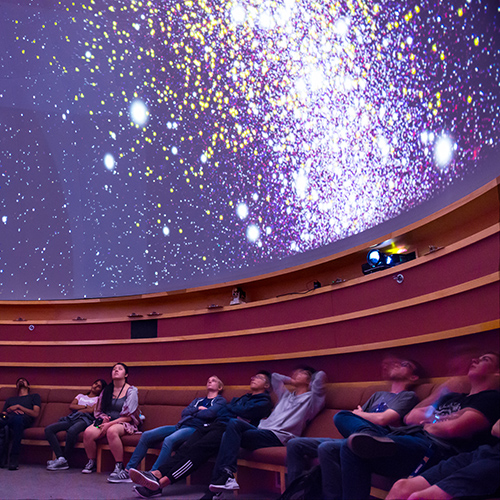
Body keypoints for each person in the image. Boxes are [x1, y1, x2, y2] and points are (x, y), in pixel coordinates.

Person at [333, 351, 500, 500]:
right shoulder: (454, 397)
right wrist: (443, 396)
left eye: (484, 359)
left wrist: (431, 421)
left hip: (434, 447)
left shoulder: (491, 398)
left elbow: (453, 428)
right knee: (343, 424)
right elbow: (410, 417)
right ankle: (369, 436)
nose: (474, 360)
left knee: (351, 446)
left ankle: (370, 437)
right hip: (411, 435)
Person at [285, 357, 420, 499]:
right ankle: (293, 496)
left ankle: (366, 438)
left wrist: (362, 414)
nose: (398, 365)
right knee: (295, 443)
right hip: (357, 436)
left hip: (381, 438)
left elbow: (383, 419)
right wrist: (360, 416)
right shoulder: (378, 395)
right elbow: (355, 418)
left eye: (404, 364)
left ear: (413, 377)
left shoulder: (408, 396)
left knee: (329, 443)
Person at [128, 371, 274, 498]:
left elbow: (236, 411)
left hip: (228, 430)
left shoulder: (264, 401)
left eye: (258, 377)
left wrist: (234, 408)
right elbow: (226, 411)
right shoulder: (243, 398)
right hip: (213, 425)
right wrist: (235, 409)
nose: (253, 378)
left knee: (197, 450)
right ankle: (156, 473)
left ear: (267, 385)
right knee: (185, 448)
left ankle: (160, 484)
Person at [208, 366, 327, 494]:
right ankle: (225, 477)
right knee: (232, 426)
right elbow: (275, 377)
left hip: (279, 436)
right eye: (296, 372)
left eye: (302, 373)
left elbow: (320, 375)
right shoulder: (285, 396)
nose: (296, 374)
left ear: (309, 381)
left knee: (230, 432)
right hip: (261, 430)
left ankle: (219, 485)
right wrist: (291, 380)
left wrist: (309, 379)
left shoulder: (312, 400)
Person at [108, 375, 226, 483]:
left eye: (213, 381)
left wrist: (195, 412)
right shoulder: (198, 400)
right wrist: (198, 409)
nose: (210, 382)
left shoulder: (220, 401)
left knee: (169, 440)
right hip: (179, 425)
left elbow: (210, 414)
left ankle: (153, 475)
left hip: (195, 429)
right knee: (146, 435)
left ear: (219, 387)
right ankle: (129, 470)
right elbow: (185, 412)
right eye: (208, 380)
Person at [387, 419, 500, 500]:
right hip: (486, 452)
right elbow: (495, 428)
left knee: (419, 497)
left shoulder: (488, 398)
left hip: (495, 462)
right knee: (401, 487)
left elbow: (453, 428)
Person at [81, 362, 141, 479]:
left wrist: (109, 424)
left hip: (124, 422)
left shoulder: (131, 391)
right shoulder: (106, 390)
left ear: (126, 374)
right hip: (106, 422)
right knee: (88, 432)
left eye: (120, 369)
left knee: (112, 431)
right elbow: (99, 410)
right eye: (114, 369)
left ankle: (119, 465)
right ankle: (92, 461)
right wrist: (104, 419)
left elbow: (129, 416)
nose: (116, 370)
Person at [44, 379, 107, 470]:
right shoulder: (80, 395)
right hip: (72, 418)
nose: (95, 386)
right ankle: (61, 458)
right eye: (95, 384)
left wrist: (80, 409)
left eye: (99, 386)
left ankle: (64, 459)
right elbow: (72, 406)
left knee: (71, 431)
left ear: (101, 390)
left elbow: (92, 411)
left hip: (84, 420)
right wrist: (85, 407)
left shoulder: (98, 399)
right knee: (49, 429)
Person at [0, 377, 41, 470]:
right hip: (9, 418)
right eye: (18, 381)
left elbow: (35, 413)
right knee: (3, 421)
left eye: (24, 381)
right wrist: (9, 410)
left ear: (28, 386)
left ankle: (13, 458)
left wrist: (19, 407)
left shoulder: (34, 397)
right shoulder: (10, 400)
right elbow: (3, 414)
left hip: (23, 419)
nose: (21, 381)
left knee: (17, 420)